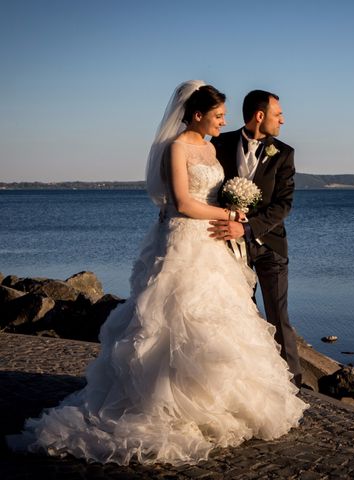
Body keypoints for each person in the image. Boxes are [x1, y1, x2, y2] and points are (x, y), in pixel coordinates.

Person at [6, 81, 308, 466]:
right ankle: (168, 399)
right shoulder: (181, 147)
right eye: (217, 115)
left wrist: (242, 222)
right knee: (172, 320)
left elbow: (277, 202)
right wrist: (231, 215)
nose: (223, 120)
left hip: (232, 245)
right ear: (197, 113)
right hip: (189, 241)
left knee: (232, 320)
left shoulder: (224, 147)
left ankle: (254, 392)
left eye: (224, 116)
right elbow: (183, 202)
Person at [209, 90, 302, 387]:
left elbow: (283, 205)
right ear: (260, 116)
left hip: (270, 247)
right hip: (229, 248)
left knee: (278, 318)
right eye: (278, 115)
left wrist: (248, 229)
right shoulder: (220, 144)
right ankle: (249, 383)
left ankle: (293, 383)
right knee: (242, 317)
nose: (283, 120)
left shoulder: (284, 153)